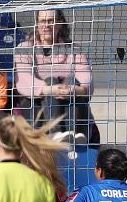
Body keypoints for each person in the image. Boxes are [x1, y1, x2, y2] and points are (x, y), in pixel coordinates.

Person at [14, 9, 94, 144]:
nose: (46, 25)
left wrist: (72, 90)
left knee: (73, 82)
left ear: (60, 24)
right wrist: (50, 89)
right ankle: (55, 132)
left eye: (51, 21)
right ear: (37, 24)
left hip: (70, 100)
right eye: (43, 21)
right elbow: (23, 81)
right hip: (37, 105)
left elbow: (86, 79)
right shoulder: (25, 48)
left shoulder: (75, 49)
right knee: (51, 81)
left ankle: (74, 135)